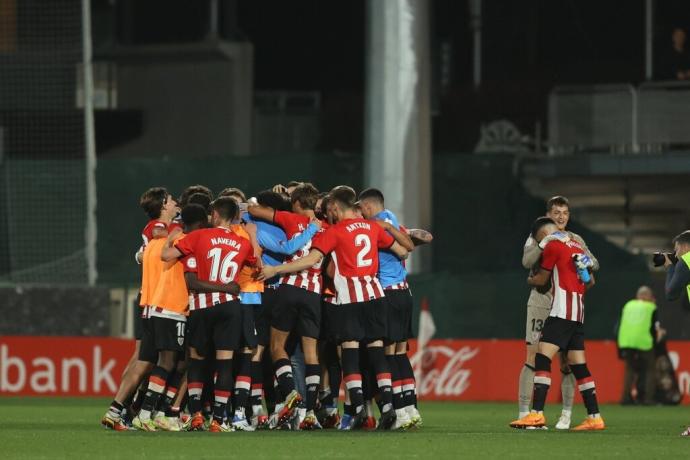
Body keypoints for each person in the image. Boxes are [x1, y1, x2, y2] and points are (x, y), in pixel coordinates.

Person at [260, 186, 409, 430]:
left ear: (336, 207)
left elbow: (310, 260)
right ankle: (389, 407)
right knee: (376, 351)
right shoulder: (372, 227)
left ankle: (358, 408)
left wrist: (275, 270)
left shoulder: (335, 232)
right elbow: (403, 250)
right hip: (376, 296)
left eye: (330, 210)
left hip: (349, 299)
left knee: (348, 352)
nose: (329, 215)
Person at [161, 197, 258, 433]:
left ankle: (195, 415)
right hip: (230, 306)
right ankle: (219, 419)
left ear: (214, 214)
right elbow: (257, 264)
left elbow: (167, 256)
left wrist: (170, 241)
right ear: (234, 217)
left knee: (197, 361)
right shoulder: (241, 242)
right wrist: (252, 235)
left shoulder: (198, 236)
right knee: (225, 363)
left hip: (201, 307)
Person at [510, 217, 604, 431]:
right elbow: (590, 281)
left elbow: (541, 280)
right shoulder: (576, 245)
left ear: (543, 236)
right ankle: (594, 416)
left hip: (561, 311)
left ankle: (536, 414)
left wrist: (530, 280)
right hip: (578, 312)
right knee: (579, 366)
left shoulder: (552, 245)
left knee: (542, 358)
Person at [247, 183, 327, 429]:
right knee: (312, 354)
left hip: (289, 288)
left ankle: (291, 393)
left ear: (298, 205)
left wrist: (267, 201)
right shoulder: (328, 229)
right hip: (314, 294)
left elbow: (255, 209)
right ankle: (310, 412)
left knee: (276, 347)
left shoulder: (291, 219)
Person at [358, 187, 420, 429]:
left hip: (387, 293)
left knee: (387, 354)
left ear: (369, 207)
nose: (360, 213)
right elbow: (407, 248)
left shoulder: (374, 226)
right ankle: (410, 408)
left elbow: (404, 249)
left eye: (361, 208)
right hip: (405, 292)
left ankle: (401, 412)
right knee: (400, 353)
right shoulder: (391, 218)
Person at [616, 286, 661, 406]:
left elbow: (619, 324)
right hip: (644, 341)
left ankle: (625, 398)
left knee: (629, 369)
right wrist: (655, 342)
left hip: (626, 341)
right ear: (648, 296)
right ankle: (647, 399)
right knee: (650, 369)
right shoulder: (651, 307)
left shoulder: (628, 305)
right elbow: (654, 327)